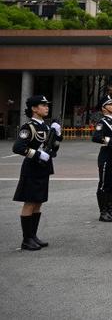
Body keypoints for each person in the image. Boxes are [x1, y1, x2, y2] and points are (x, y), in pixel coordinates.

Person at [13, 95, 62, 250]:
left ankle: (33, 236)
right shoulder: (29, 127)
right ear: (34, 108)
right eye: (43, 105)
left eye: (47, 105)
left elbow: (54, 148)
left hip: (44, 168)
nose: (47, 107)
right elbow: (18, 147)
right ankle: (26, 239)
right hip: (32, 168)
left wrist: (57, 135)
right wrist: (37, 154)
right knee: (29, 202)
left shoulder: (46, 127)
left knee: (38, 202)